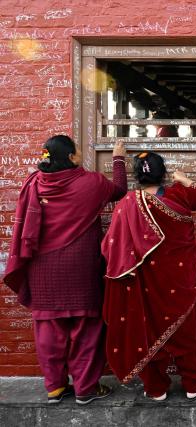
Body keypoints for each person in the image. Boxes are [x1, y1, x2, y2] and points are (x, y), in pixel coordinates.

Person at [3, 135, 127, 404]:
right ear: (70, 157)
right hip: (80, 266)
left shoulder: (33, 184)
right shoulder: (91, 183)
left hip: (42, 268)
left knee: (48, 327)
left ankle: (55, 388)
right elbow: (119, 190)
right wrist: (118, 158)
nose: (81, 154)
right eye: (79, 151)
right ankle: (85, 389)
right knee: (86, 327)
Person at [101, 152, 196, 402]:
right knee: (185, 331)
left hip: (146, 284)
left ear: (137, 176)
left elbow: (111, 246)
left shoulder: (127, 204)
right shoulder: (179, 195)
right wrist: (185, 180)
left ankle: (156, 388)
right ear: (163, 174)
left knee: (149, 332)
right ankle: (193, 384)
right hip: (181, 280)